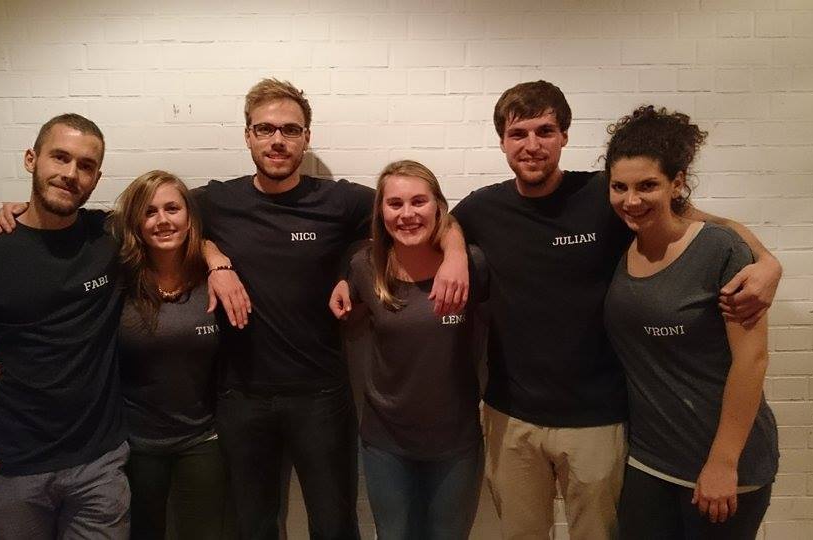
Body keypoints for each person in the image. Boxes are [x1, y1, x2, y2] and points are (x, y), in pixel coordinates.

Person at [450, 81, 782, 539]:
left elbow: (695, 218)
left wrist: (767, 260)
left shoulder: (606, 195)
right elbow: (439, 226)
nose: (532, 144)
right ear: (502, 142)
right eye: (518, 133)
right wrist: (453, 253)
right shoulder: (483, 207)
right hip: (511, 416)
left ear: (564, 136)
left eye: (545, 130)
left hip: (598, 419)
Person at [195, 78, 470, 540]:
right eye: (265, 129)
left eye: (290, 130)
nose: (277, 140)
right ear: (247, 135)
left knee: (335, 525)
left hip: (320, 394)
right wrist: (214, 259)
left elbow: (421, 211)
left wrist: (457, 254)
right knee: (252, 526)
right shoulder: (218, 200)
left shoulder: (339, 200)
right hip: (240, 395)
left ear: (306, 137)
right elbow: (159, 219)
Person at [0, 170, 231, 539]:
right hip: (133, 442)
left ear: (190, 216)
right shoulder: (116, 276)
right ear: (136, 223)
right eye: (149, 212)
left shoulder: (216, 281)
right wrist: (5, 357)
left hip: (203, 439)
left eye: (172, 209)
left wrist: (217, 258)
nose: (162, 220)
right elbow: (63, 326)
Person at [0, 113, 130, 539]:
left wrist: (216, 260)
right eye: (60, 157)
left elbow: (181, 215)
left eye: (86, 165)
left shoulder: (108, 236)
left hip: (99, 464)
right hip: (10, 468)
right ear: (31, 159)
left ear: (96, 179)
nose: (70, 173)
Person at [602, 106, 778, 539]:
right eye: (620, 187)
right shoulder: (622, 239)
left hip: (722, 465)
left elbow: (752, 360)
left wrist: (723, 462)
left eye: (647, 185)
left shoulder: (718, 250)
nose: (631, 200)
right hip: (650, 460)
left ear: (677, 183)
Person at [329, 160, 486, 540]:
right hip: (387, 442)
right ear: (381, 212)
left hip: (456, 442)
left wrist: (456, 252)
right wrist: (342, 284)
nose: (407, 214)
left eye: (418, 201)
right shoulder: (365, 268)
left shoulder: (471, 265)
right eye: (395, 204)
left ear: (438, 207)